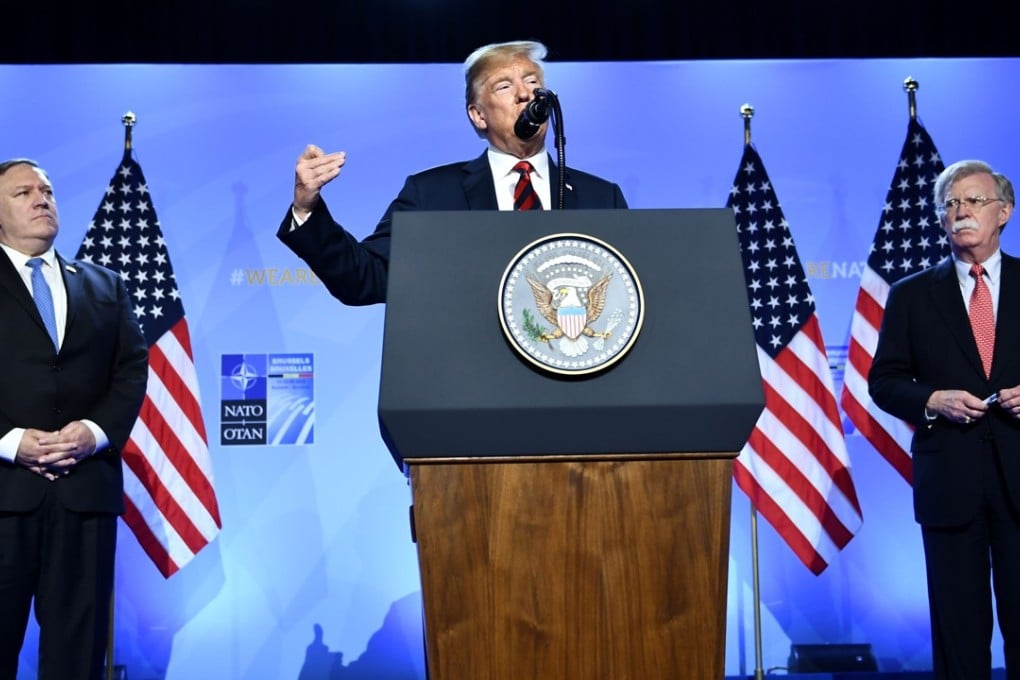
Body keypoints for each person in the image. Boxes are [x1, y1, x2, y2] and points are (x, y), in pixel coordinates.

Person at [277, 40, 628, 305]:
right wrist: (306, 209)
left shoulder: (602, 196)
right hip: (475, 388)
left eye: (533, 82)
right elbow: (364, 278)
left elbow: (626, 296)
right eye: (504, 86)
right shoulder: (430, 194)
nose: (525, 93)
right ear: (478, 115)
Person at [869, 159, 1020, 679]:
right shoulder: (911, 294)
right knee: (959, 635)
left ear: (1004, 212)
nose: (959, 212)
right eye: (950, 204)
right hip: (950, 486)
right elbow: (883, 382)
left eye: (973, 201)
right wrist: (934, 399)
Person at [0, 159, 148, 680]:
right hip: (4, 494)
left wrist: (96, 432)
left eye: (48, 190)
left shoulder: (105, 285)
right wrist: (10, 441)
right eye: (23, 192)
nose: (42, 198)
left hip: (84, 495)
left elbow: (131, 369)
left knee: (77, 659)